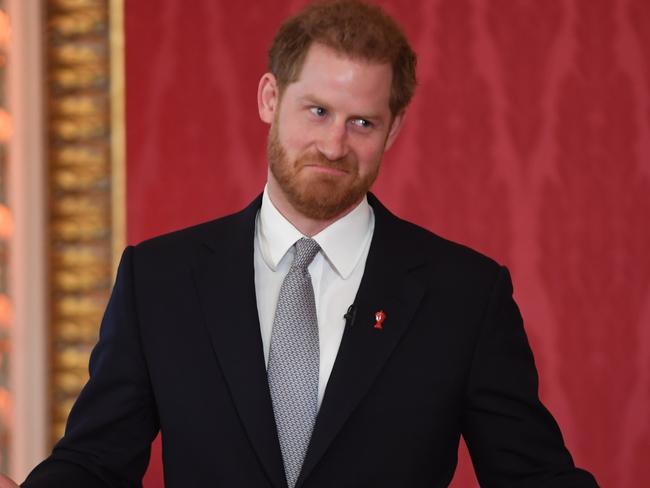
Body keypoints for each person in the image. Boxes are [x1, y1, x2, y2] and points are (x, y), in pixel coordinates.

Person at [6, 1, 599, 487]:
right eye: (316, 111)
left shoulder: (465, 295)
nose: (334, 146)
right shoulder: (158, 279)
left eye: (361, 122)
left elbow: (533, 477)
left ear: (394, 129)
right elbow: (96, 462)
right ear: (270, 98)